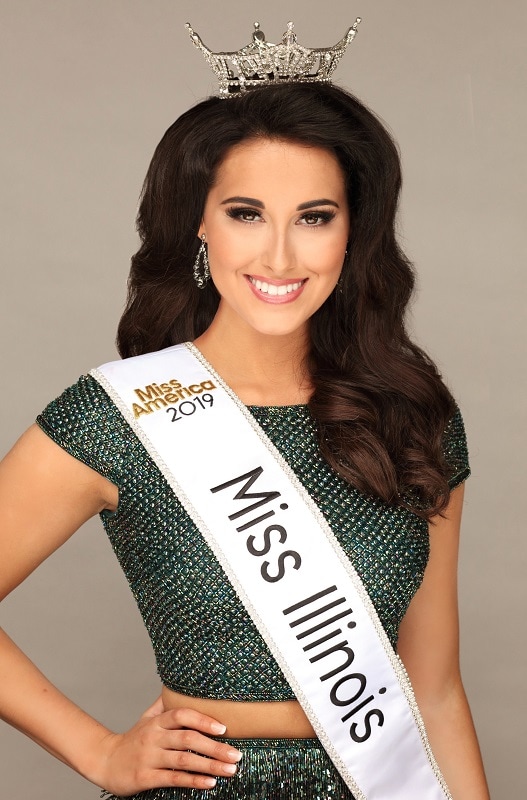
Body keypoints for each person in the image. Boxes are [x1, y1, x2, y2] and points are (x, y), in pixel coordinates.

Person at [0, 21, 489, 800]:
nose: (279, 258)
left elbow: (432, 692)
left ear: (353, 229)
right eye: (246, 213)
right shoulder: (124, 418)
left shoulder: (413, 417)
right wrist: (96, 752)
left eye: (314, 217)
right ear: (198, 220)